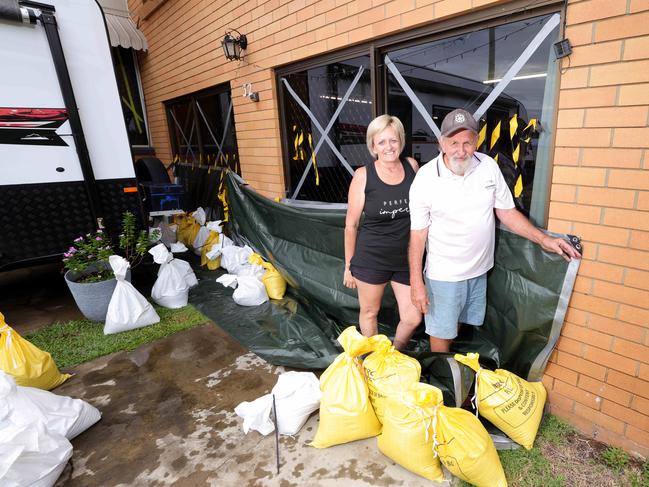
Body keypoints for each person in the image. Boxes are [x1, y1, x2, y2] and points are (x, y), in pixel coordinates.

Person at [408, 108, 581, 353]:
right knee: (440, 333)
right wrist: (416, 282)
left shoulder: (487, 166)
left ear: (476, 141)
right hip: (444, 275)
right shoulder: (426, 178)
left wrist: (544, 240)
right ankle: (444, 382)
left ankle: (453, 375)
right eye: (453, 143)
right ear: (441, 143)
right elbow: (418, 234)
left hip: (478, 270)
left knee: (456, 327)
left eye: (467, 143)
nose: (461, 150)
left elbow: (506, 212)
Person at [344, 114, 421, 350]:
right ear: (373, 146)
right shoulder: (363, 175)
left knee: (413, 317)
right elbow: (351, 225)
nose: (389, 147)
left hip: (405, 258)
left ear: (401, 141)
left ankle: (393, 353)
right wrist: (348, 266)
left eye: (393, 140)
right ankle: (373, 361)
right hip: (371, 257)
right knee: (369, 312)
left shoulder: (411, 166)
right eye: (382, 142)